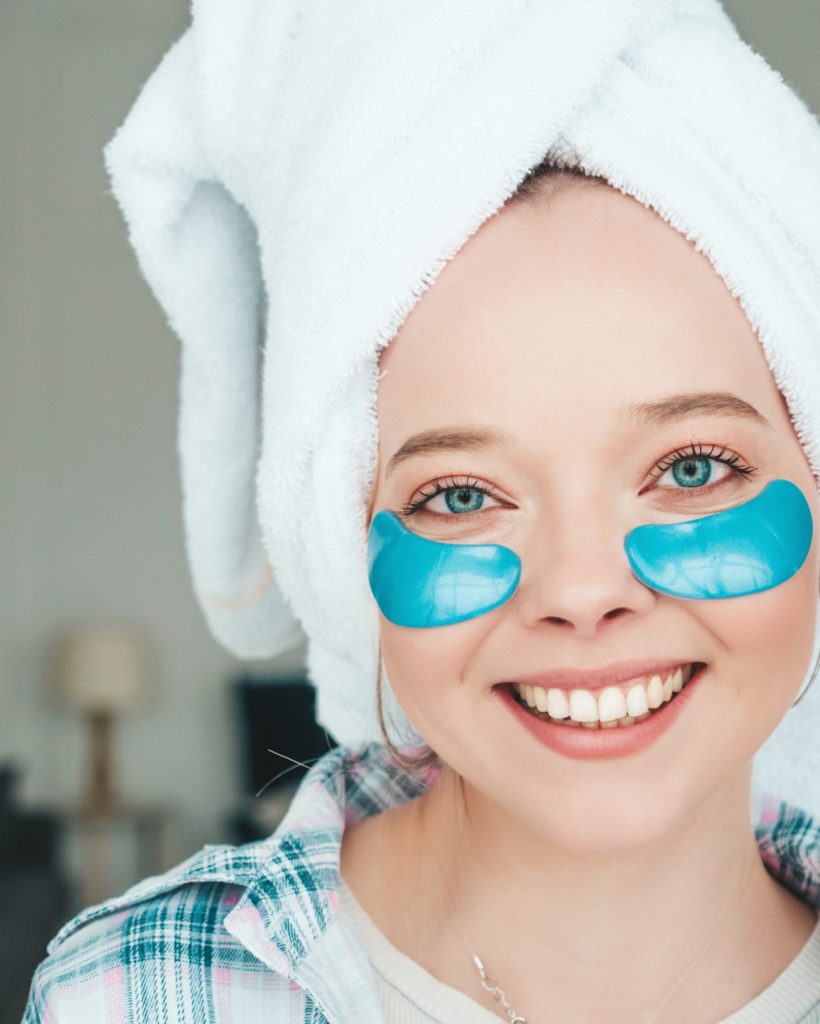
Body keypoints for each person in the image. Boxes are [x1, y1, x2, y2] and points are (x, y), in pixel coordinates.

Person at [22, 3, 820, 1023]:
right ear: (345, 546)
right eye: (461, 495)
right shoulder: (132, 998)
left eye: (695, 467)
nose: (580, 590)